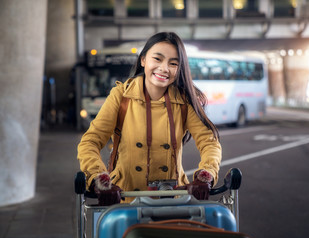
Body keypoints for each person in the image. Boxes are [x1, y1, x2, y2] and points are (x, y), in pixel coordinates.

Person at [77, 32, 221, 205]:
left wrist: (205, 176)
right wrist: (99, 179)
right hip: (125, 198)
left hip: (174, 200)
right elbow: (90, 141)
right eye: (157, 59)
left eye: (173, 63)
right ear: (143, 60)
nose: (164, 68)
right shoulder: (121, 95)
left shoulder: (184, 101)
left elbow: (209, 142)